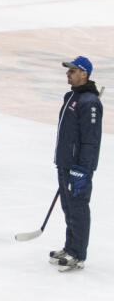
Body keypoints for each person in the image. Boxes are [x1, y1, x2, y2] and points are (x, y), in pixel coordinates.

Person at [50, 56, 103, 272]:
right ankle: (70, 247)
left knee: (78, 209)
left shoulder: (90, 102)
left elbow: (91, 140)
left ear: (85, 74)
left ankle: (78, 254)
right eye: (68, 70)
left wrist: (82, 169)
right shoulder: (70, 96)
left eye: (73, 71)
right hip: (64, 163)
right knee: (68, 208)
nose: (68, 74)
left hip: (78, 168)